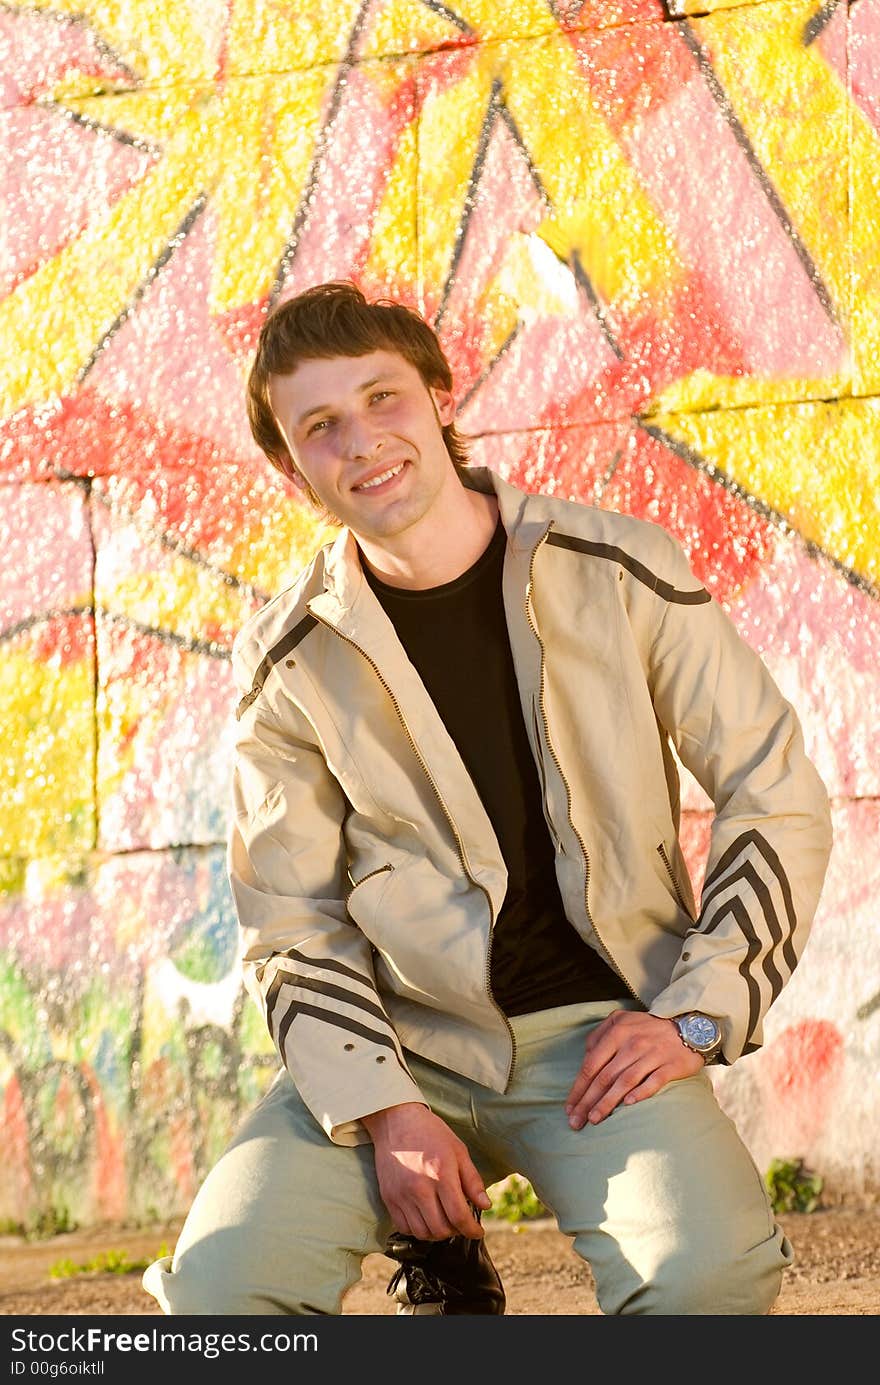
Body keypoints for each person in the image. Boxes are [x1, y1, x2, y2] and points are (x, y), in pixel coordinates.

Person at [143, 280, 833, 1316]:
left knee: (709, 1283)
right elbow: (291, 920)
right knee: (216, 1302)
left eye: (382, 398)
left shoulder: (616, 566)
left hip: (603, 1035)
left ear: (437, 395)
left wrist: (693, 1012)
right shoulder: (287, 660)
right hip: (399, 1042)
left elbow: (770, 786)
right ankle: (439, 1246)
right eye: (320, 426)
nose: (363, 442)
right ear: (293, 471)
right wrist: (380, 1107)